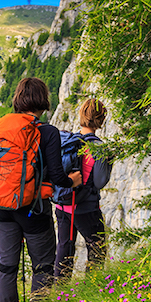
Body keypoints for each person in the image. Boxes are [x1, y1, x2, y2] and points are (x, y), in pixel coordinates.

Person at [0, 77, 82, 302]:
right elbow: (56, 176)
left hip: (1, 206)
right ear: (43, 100)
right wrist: (72, 181)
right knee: (42, 266)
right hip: (33, 209)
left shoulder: (2, 126)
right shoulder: (48, 132)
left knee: (7, 266)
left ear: (19, 98)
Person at [54, 98, 113, 279]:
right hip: (86, 208)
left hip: (63, 205)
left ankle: (59, 296)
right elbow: (99, 182)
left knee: (64, 250)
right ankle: (91, 292)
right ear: (101, 120)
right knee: (97, 248)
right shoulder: (99, 147)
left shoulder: (67, 142)